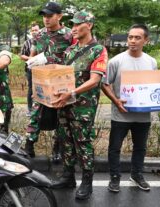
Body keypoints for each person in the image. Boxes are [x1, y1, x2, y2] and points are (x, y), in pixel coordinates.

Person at [51, 11, 108, 200]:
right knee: (65, 140)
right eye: (72, 25)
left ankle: (87, 182)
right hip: (64, 104)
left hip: (83, 107)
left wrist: (73, 93)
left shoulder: (98, 50)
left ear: (89, 25)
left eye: (77, 25)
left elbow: (95, 80)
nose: (73, 29)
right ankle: (68, 176)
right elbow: (61, 76)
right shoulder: (70, 50)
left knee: (82, 143)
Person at [102, 24, 157, 193]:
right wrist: (116, 101)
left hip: (143, 116)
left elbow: (152, 87)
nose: (132, 41)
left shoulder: (151, 62)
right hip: (121, 115)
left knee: (140, 147)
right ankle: (114, 177)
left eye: (137, 37)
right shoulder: (116, 61)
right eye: (130, 37)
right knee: (114, 148)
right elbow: (104, 83)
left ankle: (137, 174)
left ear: (146, 40)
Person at [24, 1, 74, 158]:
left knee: (61, 115)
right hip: (41, 82)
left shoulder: (69, 35)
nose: (46, 19)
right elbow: (32, 55)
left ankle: (57, 148)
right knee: (35, 114)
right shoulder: (39, 35)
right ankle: (29, 145)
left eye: (50, 16)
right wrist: (30, 62)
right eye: (44, 16)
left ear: (59, 16)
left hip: (60, 82)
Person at [20, 23, 40, 116]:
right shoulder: (27, 43)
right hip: (30, 69)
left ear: (39, 30)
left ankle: (40, 109)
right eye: (33, 30)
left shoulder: (43, 41)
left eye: (36, 30)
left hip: (42, 69)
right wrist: (31, 59)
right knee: (31, 89)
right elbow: (22, 55)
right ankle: (29, 109)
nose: (34, 32)